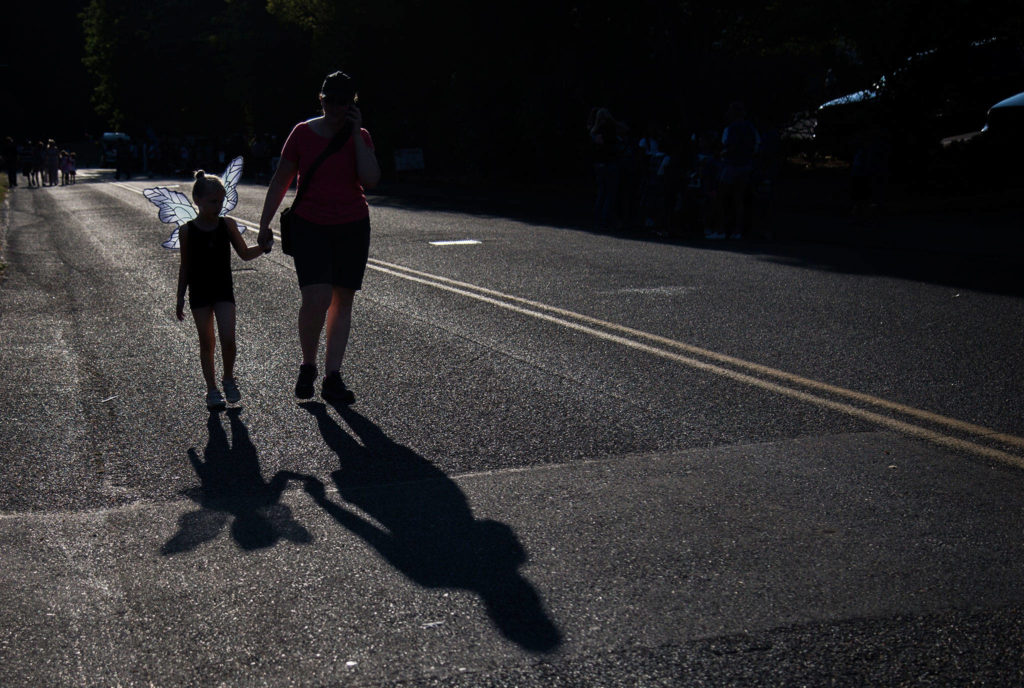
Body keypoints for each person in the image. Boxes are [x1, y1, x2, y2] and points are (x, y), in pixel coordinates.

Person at [257, 70, 381, 403]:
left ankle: (332, 376)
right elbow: (281, 180)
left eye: (343, 102)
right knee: (316, 298)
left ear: (352, 105)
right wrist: (264, 223)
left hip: (352, 225)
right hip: (311, 225)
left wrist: (356, 133)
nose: (335, 108)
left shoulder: (361, 136)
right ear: (321, 98)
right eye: (329, 100)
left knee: (343, 299)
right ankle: (308, 365)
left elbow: (371, 180)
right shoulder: (302, 133)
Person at [177, 170, 268, 410]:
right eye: (212, 201)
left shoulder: (227, 225)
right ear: (197, 201)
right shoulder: (187, 231)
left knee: (228, 339)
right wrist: (179, 298)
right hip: (199, 293)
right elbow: (185, 266)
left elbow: (245, 253)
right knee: (206, 343)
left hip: (223, 290)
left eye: (220, 201)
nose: (218, 206)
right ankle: (211, 389)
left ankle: (228, 378)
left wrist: (263, 246)